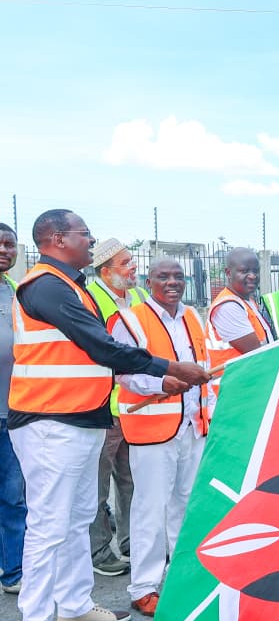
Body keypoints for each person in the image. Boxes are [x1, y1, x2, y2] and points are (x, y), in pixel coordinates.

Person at [9, 209, 210, 621]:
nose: (91, 240)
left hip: (80, 419)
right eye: (84, 234)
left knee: (80, 514)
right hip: (49, 419)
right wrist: (167, 367)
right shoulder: (44, 285)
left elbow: (99, 355)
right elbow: (99, 346)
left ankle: (76, 607)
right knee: (49, 524)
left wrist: (160, 382)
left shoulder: (72, 286)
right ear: (58, 239)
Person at [108, 258, 212, 617]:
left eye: (178, 277)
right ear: (148, 280)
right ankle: (144, 587)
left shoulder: (193, 317)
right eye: (163, 276)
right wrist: (162, 383)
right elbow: (123, 373)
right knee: (151, 508)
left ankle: (182, 577)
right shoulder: (131, 319)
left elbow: (205, 364)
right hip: (153, 428)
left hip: (192, 426)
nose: (172, 282)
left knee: (185, 505)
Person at [86, 237, 149, 577]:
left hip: (135, 403)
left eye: (131, 261)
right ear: (106, 271)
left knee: (130, 477)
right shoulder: (91, 298)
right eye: (126, 263)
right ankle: (99, 551)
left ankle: (131, 541)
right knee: (98, 481)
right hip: (104, 404)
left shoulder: (137, 296)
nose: (133, 268)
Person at [205, 248, 274, 398]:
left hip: (246, 387)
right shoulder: (228, 307)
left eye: (256, 271)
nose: (252, 276)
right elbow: (257, 352)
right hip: (232, 392)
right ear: (229, 273)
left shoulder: (246, 301)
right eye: (244, 271)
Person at [0, 223, 25, 596]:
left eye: (9, 244)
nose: (5, 250)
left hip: (13, 411)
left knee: (14, 495)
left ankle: (14, 571)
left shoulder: (16, 292)